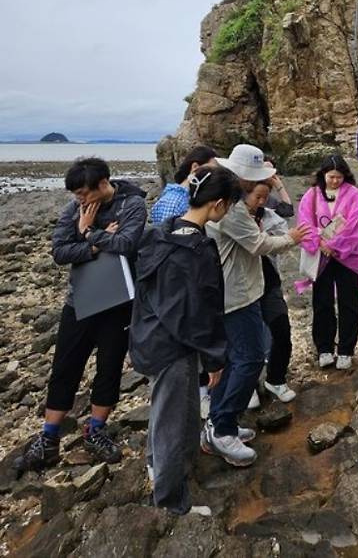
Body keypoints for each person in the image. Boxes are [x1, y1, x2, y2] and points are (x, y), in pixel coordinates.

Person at [15, 158, 147, 474]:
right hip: (80, 302)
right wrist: (96, 245)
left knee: (110, 367)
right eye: (76, 195)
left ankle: (96, 429)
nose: (80, 200)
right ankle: (48, 438)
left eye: (84, 193)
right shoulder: (74, 209)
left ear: (103, 184)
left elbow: (127, 244)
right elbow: (59, 251)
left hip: (118, 303)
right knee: (65, 366)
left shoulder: (133, 204)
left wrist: (88, 234)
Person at [130, 165, 241, 516]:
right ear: (218, 205)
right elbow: (195, 313)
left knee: (164, 411)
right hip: (172, 346)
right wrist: (214, 358)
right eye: (230, 207)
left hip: (147, 335)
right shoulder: (195, 249)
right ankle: (170, 502)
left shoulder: (161, 232)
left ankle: (156, 465)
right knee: (174, 421)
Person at [203, 145, 309, 467]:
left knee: (235, 361)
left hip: (238, 291)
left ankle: (222, 423)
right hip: (237, 296)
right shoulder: (232, 209)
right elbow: (259, 244)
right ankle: (222, 430)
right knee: (248, 359)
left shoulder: (228, 201)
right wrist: (293, 237)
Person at [298, 155, 358, 370]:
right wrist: (319, 243)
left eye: (338, 177)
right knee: (322, 302)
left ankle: (346, 349)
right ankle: (325, 348)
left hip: (346, 256)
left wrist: (336, 245)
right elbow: (304, 222)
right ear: (323, 175)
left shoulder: (354, 194)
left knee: (349, 303)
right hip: (321, 256)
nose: (335, 181)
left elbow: (357, 223)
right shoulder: (312, 195)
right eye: (331, 177)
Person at [243, 181, 296, 403]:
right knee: (248, 339)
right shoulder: (232, 217)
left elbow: (285, 235)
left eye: (265, 197)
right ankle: (248, 387)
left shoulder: (268, 216)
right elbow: (258, 245)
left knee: (282, 330)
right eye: (258, 197)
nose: (262, 202)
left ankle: (276, 379)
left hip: (268, 281)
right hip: (243, 285)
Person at [150, 145, 217, 224]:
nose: (215, 176)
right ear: (195, 167)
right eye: (212, 171)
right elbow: (166, 235)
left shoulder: (189, 198)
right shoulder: (173, 202)